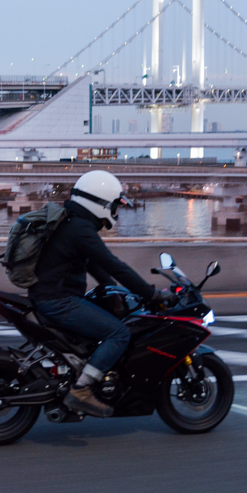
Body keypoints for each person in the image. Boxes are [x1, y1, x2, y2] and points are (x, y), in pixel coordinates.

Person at [29, 170, 171, 418]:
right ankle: (81, 389)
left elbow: (96, 267)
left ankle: (82, 375)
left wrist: (117, 292)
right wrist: (151, 295)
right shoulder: (80, 229)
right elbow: (115, 265)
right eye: (114, 205)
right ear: (101, 202)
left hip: (51, 296)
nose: (115, 211)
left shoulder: (71, 224)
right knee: (118, 333)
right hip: (58, 301)